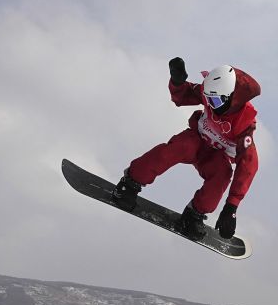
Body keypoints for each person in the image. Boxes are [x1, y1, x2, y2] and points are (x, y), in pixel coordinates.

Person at [112, 58, 261, 240]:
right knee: (173, 149)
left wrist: (231, 206)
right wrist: (177, 82)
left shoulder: (244, 124)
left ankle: (194, 214)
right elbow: (183, 96)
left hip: (216, 155)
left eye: (215, 100)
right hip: (196, 140)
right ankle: (129, 183)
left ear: (231, 98)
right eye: (208, 98)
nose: (211, 104)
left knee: (222, 176)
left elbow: (248, 165)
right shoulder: (210, 91)